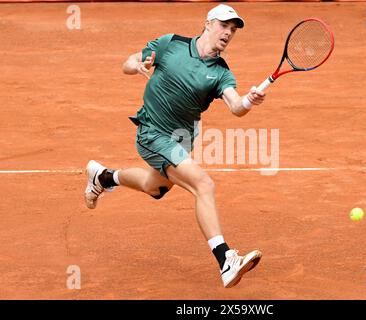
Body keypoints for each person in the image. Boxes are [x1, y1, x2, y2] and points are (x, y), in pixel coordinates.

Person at [84, 4, 266, 288]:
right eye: (224, 26)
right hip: (152, 132)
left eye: (233, 30)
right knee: (203, 185)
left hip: (181, 139)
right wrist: (137, 65)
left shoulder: (221, 72)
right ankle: (225, 260)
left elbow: (235, 106)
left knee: (155, 187)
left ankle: (103, 177)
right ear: (207, 23)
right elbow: (129, 62)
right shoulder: (172, 44)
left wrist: (249, 101)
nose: (228, 33)